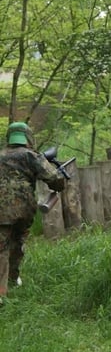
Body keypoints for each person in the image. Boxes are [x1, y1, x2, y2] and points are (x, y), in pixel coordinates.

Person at [0, 122, 66, 300]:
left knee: (2, 248)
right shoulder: (31, 156)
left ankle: (2, 292)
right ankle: (12, 280)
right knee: (17, 243)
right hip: (23, 210)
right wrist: (62, 178)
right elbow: (54, 180)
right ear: (27, 136)